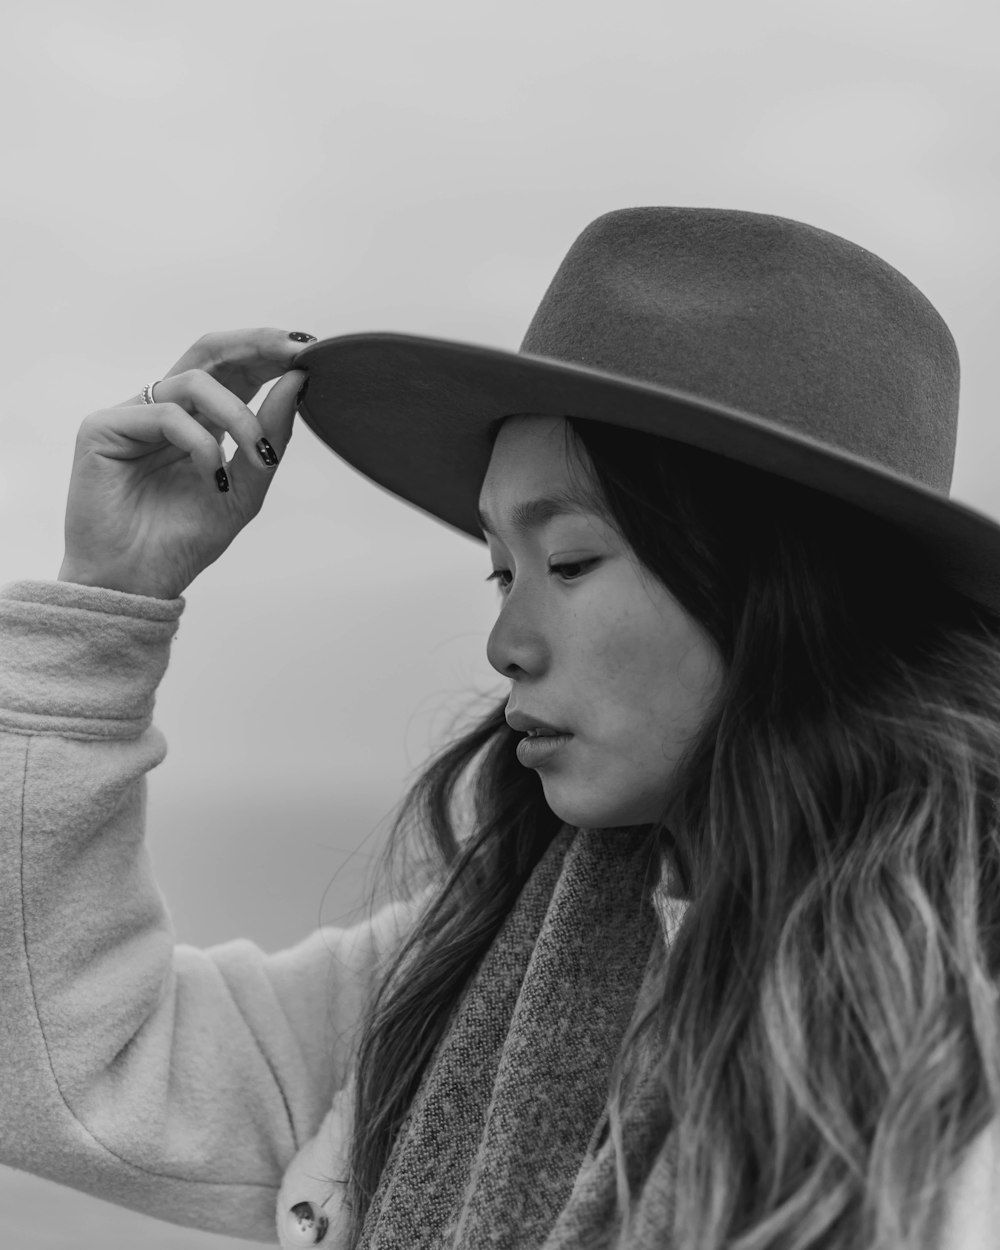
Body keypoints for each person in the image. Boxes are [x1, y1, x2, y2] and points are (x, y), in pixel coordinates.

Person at [1, 207, 999, 1250]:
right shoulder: (457, 971)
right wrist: (105, 605)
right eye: (499, 568)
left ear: (787, 592)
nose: (505, 642)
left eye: (567, 562)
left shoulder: (961, 1063)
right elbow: (70, 1063)